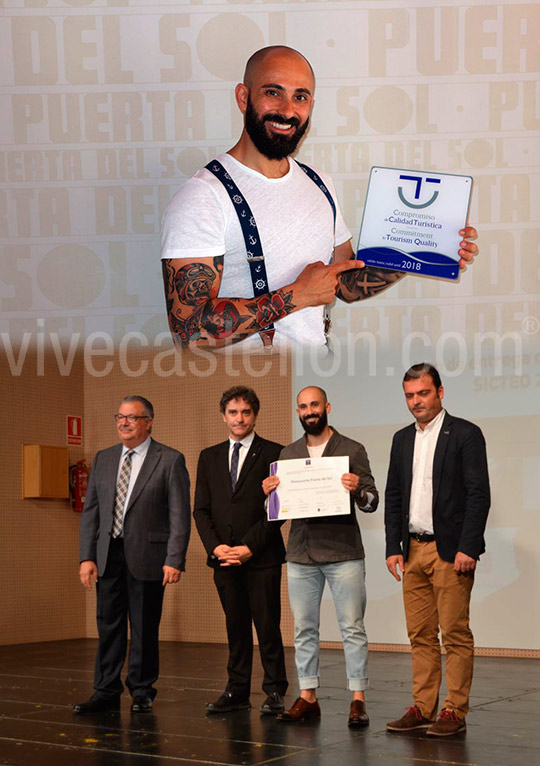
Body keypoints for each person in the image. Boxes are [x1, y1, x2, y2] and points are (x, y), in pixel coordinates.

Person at [161, 45, 478, 351]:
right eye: (273, 92)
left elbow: (346, 284)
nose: (287, 111)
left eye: (300, 97)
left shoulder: (319, 183)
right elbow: (188, 333)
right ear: (243, 98)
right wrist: (298, 295)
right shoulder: (203, 197)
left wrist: (421, 246)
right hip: (250, 388)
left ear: (311, 104)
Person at [384, 364, 490, 736]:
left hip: (450, 552)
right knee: (421, 635)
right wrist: (392, 547)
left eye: (423, 393)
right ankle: (423, 707)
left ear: (440, 392)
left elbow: (479, 494)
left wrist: (469, 547)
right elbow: (394, 495)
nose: (417, 402)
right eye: (410, 395)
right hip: (412, 550)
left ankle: (454, 711)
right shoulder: (401, 439)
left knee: (455, 634)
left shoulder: (465, 434)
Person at [263, 386, 378, 726]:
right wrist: (268, 495)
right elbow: (277, 512)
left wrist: (358, 488)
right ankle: (308, 696)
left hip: (343, 552)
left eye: (314, 404)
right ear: (298, 412)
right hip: (301, 554)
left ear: (327, 406)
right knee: (304, 629)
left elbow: (372, 501)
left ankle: (357, 699)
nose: (309, 411)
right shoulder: (289, 453)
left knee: (352, 628)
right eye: (303, 406)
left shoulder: (351, 449)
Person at [74, 396, 191, 714]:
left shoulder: (169, 459)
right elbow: (91, 513)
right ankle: (105, 691)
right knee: (108, 625)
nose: (123, 423)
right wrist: (87, 557)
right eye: (119, 417)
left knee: (143, 627)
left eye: (132, 417)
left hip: (149, 557)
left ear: (148, 422)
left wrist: (174, 558)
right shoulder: (103, 458)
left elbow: (180, 514)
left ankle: (142, 690)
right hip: (108, 555)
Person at [194, 386, 288, 714]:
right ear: (224, 416)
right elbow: (201, 510)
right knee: (235, 627)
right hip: (223, 558)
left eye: (246, 412)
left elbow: (279, 509)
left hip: (262, 556)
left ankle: (275, 692)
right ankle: (237, 691)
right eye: (233, 412)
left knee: (267, 626)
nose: (239, 418)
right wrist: (216, 547)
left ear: (255, 415)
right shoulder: (209, 457)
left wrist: (249, 546)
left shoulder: (276, 453)